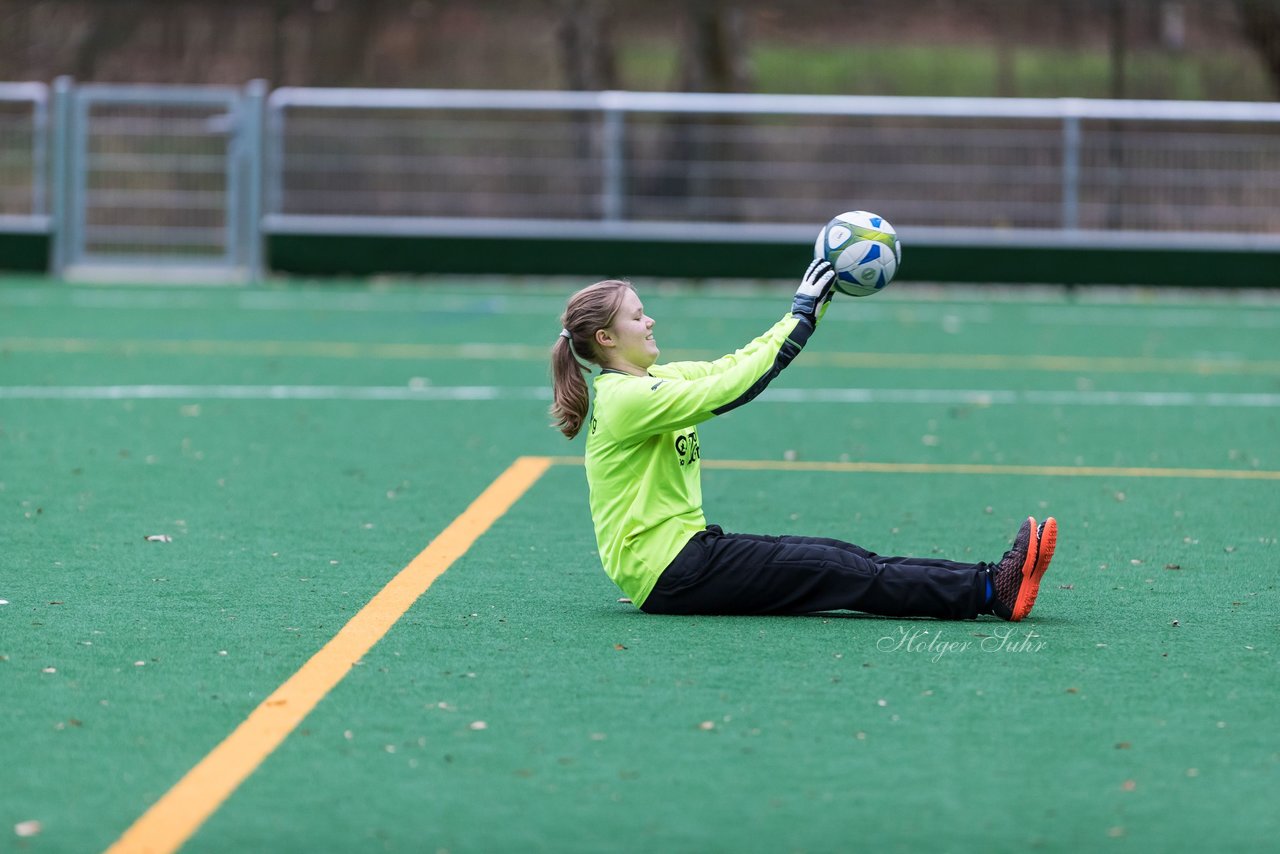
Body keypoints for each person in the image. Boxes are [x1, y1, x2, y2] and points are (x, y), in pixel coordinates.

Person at [549, 260, 1057, 620]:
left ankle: (992, 581)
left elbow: (733, 364)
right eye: (637, 316)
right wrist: (800, 319)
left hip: (685, 559)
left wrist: (808, 312)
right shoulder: (625, 399)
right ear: (607, 340)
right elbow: (729, 389)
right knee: (839, 571)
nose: (650, 319)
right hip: (673, 570)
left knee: (845, 557)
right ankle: (991, 589)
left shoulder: (647, 383)